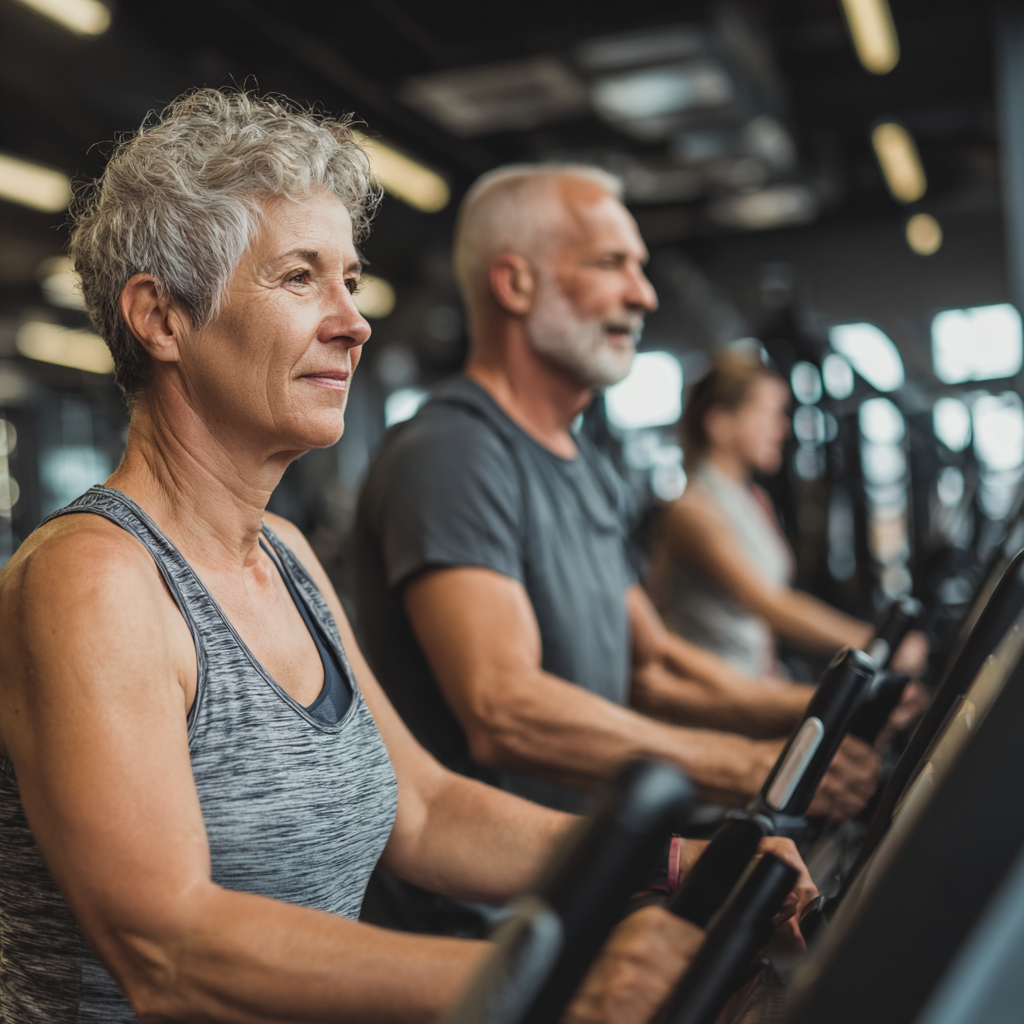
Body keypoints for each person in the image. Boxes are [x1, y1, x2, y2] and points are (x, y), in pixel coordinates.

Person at [0, 89, 820, 1024]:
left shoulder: (288, 555)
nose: (354, 320)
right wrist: (535, 981)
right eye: (301, 278)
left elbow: (423, 811)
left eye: (350, 279)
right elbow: (168, 948)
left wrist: (674, 860)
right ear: (162, 318)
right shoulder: (94, 580)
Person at [354, 164, 880, 824]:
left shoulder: (586, 467)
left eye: (641, 266)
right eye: (612, 264)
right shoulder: (452, 453)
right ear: (515, 283)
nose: (644, 295)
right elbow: (505, 711)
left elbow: (652, 669)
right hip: (483, 915)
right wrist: (753, 766)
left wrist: (832, 709)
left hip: (589, 865)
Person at [651, 349, 928, 680]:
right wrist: (878, 643)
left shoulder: (755, 499)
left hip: (759, 680)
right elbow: (770, 604)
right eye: (768, 415)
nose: (782, 428)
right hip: (715, 693)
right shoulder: (693, 511)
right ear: (720, 423)